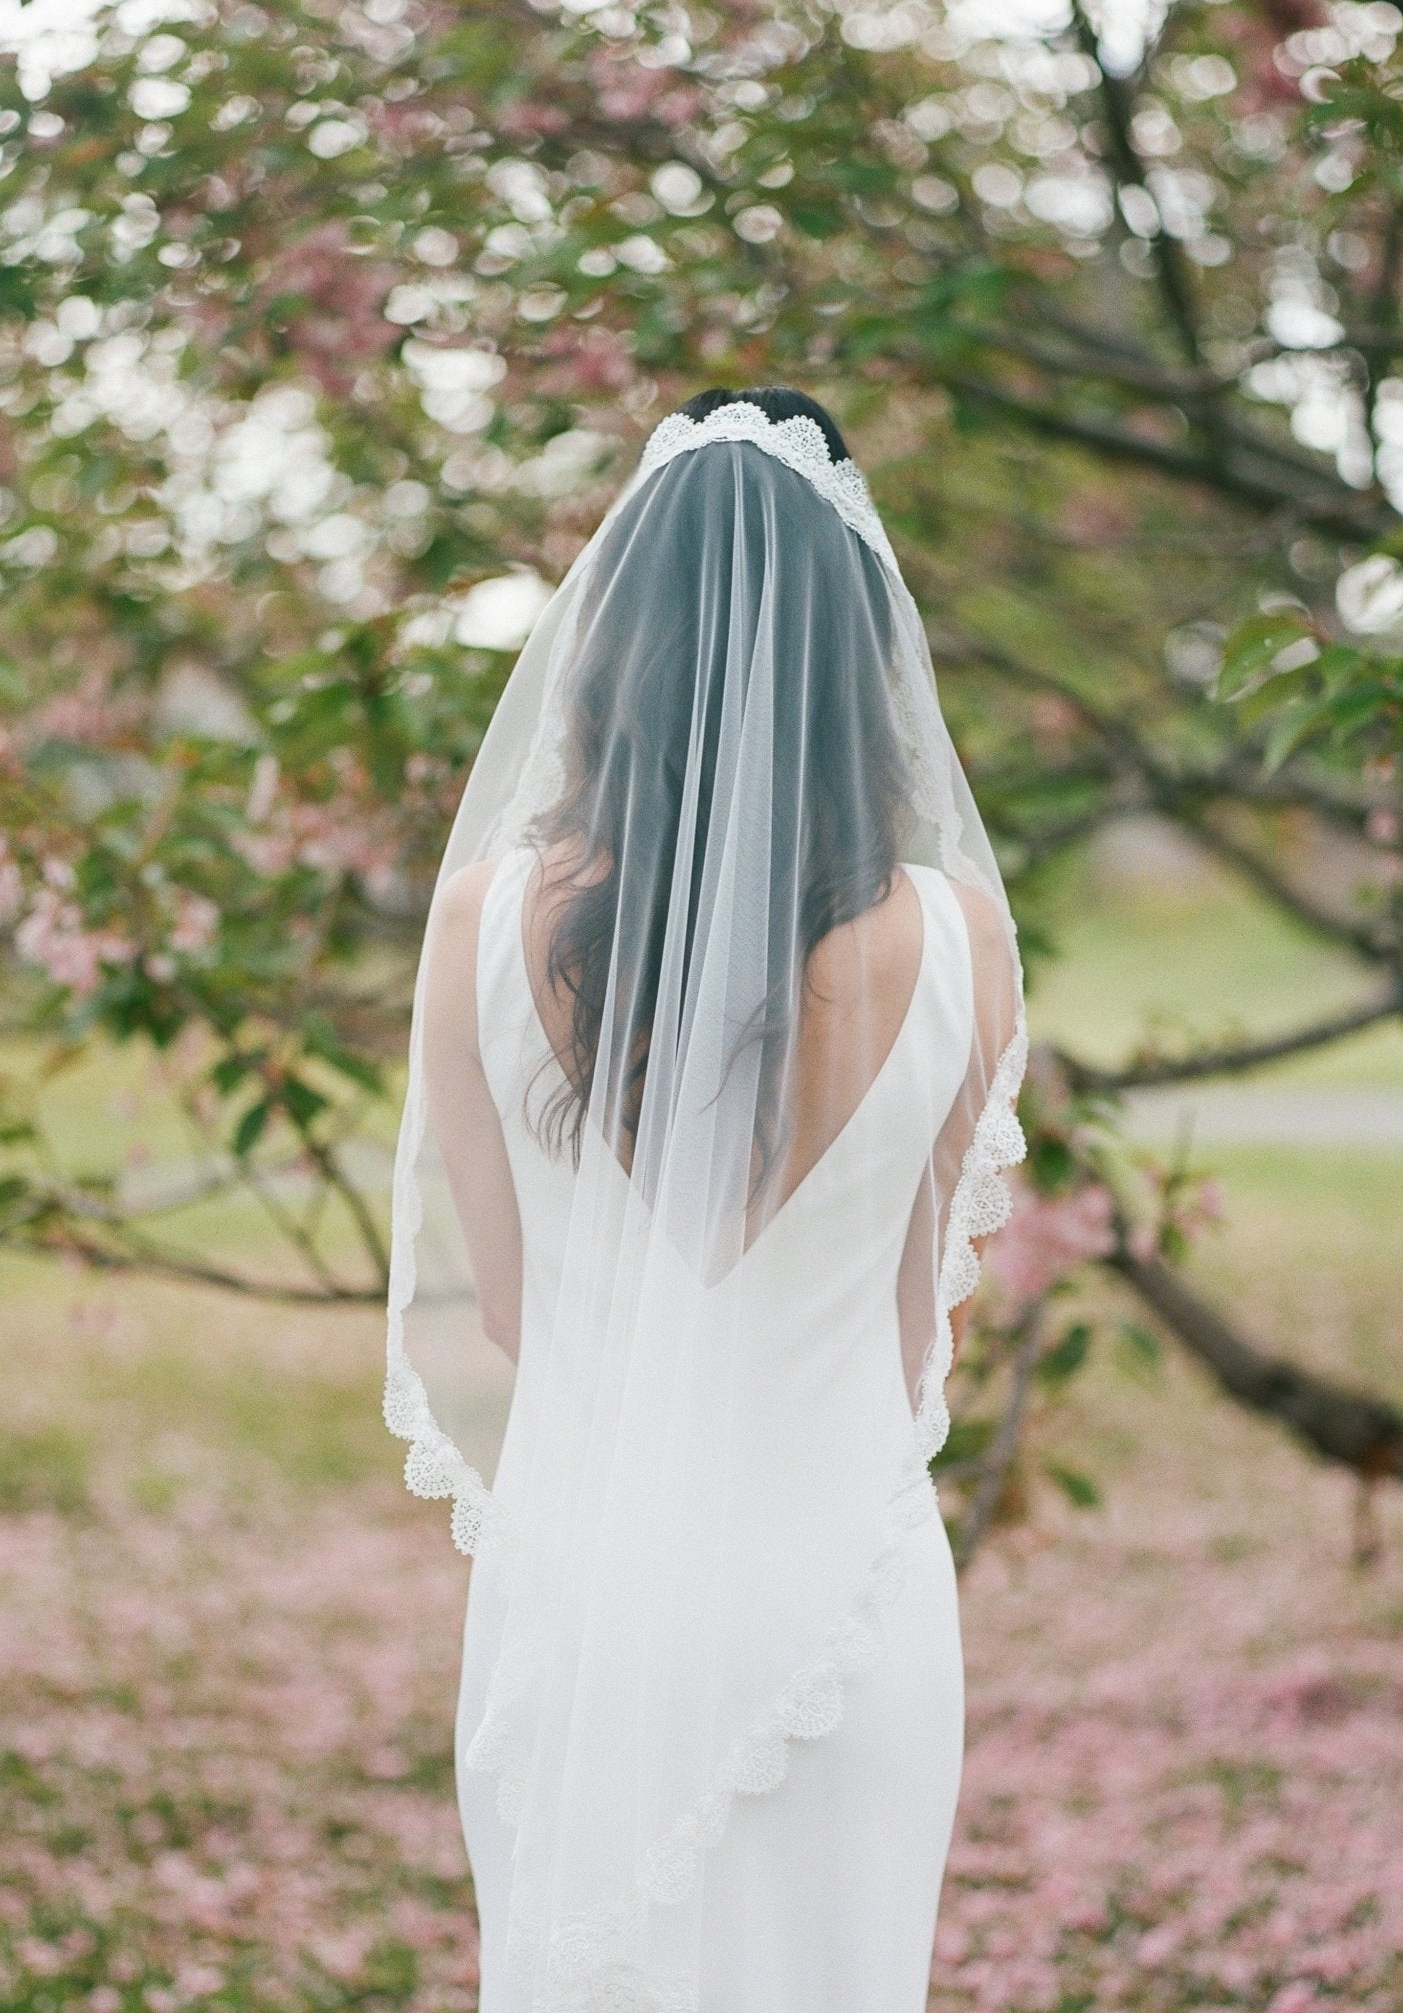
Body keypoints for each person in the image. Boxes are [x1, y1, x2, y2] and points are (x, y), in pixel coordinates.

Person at [385, 386, 1027, 2013]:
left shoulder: (478, 927)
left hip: (590, 1597)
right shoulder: (961, 945)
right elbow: (917, 1325)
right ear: (852, 654)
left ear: (608, 643)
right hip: (844, 1616)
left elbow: (515, 1313)